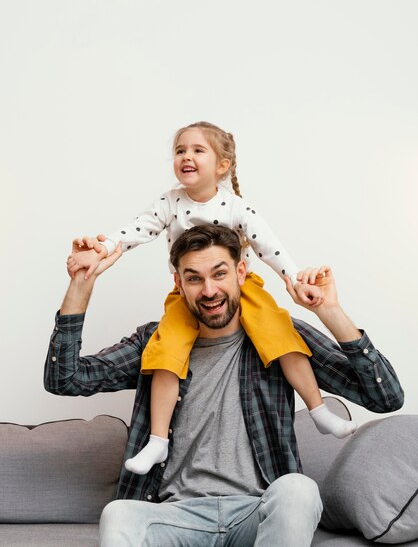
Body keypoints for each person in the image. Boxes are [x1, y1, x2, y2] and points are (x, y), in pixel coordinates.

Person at [45, 224, 404, 547]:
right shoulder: (153, 343)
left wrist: (329, 310)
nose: (209, 290)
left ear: (241, 273)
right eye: (194, 278)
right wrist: (81, 282)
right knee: (119, 514)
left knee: (300, 490)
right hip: (176, 515)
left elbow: (385, 397)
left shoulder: (280, 337)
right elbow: (66, 379)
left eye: (219, 274)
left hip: (255, 513)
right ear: (179, 285)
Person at [66, 122, 356, 475]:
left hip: (245, 292)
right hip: (182, 296)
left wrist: (294, 280)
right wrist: (104, 248)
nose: (186, 156)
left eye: (197, 150)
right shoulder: (169, 202)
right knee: (164, 352)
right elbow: (135, 230)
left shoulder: (236, 207)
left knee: (281, 335)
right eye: (180, 150)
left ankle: (319, 410)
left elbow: (269, 246)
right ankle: (158, 441)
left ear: (223, 165)